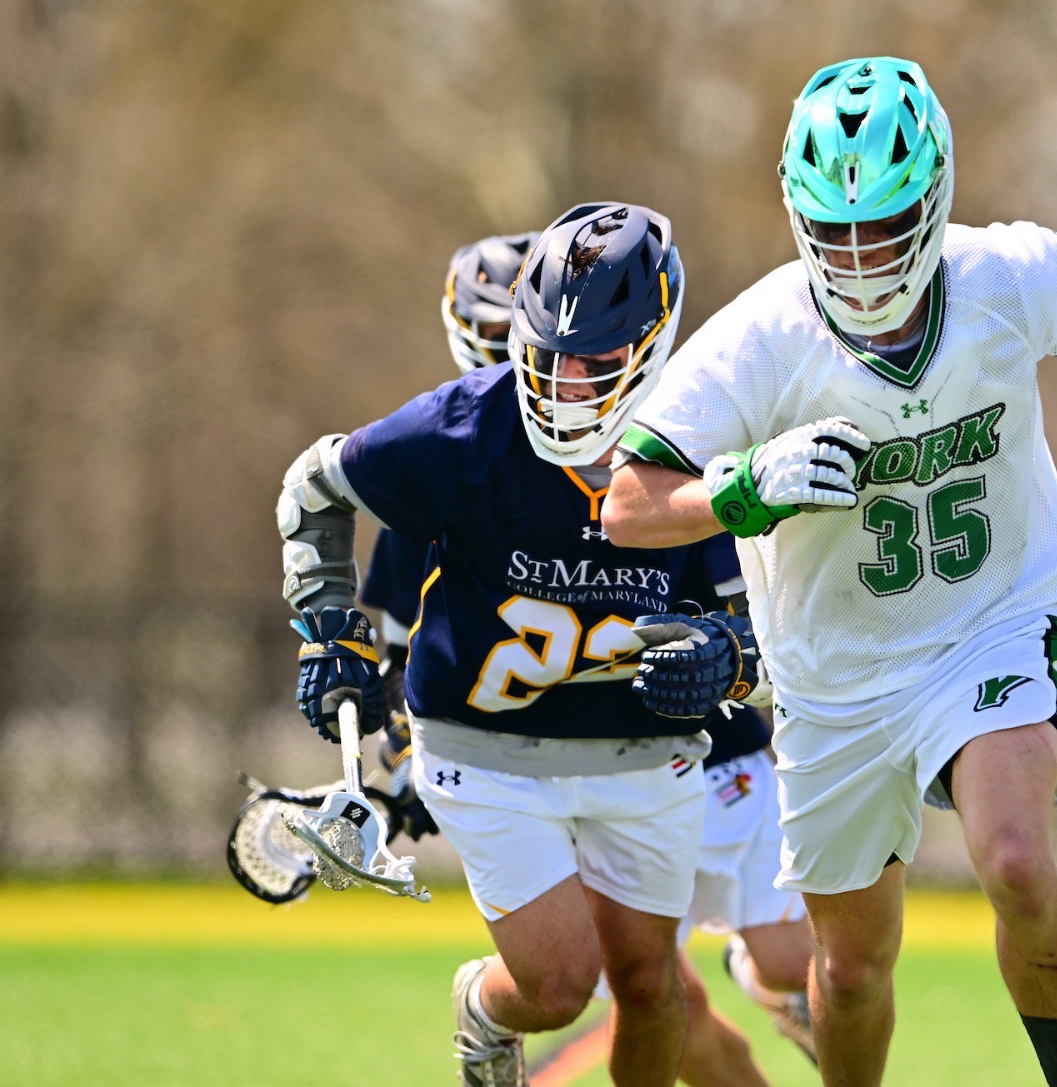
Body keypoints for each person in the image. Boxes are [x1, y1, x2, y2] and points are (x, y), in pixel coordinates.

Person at [603, 57, 1057, 1087]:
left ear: (937, 198)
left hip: (986, 620)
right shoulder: (763, 338)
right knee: (853, 969)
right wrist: (741, 489)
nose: (861, 256)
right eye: (837, 231)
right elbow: (628, 500)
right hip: (833, 675)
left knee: (1013, 859)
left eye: (883, 227)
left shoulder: (1001, 275)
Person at [278, 203, 759, 1087]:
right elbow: (316, 487)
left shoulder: (711, 440)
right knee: (558, 984)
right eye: (549, 355)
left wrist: (727, 656)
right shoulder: (465, 429)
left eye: (597, 361)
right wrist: (328, 629)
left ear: (654, 347)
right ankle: (484, 1005)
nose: (567, 381)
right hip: (486, 747)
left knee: (653, 986)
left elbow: (775, 634)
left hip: (645, 750)